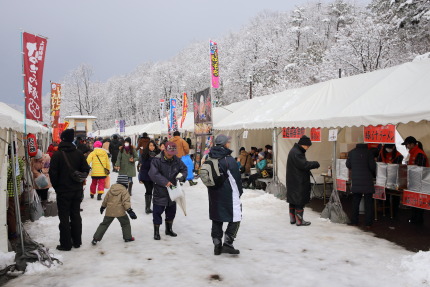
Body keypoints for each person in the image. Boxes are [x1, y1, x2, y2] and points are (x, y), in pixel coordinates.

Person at [49, 129, 91, 251]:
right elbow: (86, 169)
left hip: (63, 191)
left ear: (62, 139)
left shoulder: (57, 155)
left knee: (64, 217)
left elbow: (53, 174)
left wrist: (57, 187)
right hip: (77, 190)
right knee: (76, 215)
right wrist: (79, 179)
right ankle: (77, 241)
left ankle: (66, 244)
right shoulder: (78, 153)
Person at [206, 134, 243, 255]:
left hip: (213, 193)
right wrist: (239, 193)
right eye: (228, 142)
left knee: (217, 217)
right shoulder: (228, 159)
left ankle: (217, 244)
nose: (229, 143)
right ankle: (228, 242)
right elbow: (235, 179)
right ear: (224, 144)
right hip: (228, 193)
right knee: (236, 216)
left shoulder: (210, 157)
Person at [149, 142, 187, 240]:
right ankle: (156, 232)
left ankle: (168, 229)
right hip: (160, 190)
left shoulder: (177, 160)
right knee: (157, 212)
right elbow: (153, 174)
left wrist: (182, 176)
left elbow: (184, 169)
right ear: (164, 150)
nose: (171, 156)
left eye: (173, 154)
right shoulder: (156, 160)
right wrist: (165, 182)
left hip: (173, 191)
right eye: (169, 153)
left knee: (171, 211)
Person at [91, 175, 137, 245]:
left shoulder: (111, 189)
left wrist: (103, 207)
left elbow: (106, 199)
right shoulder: (124, 191)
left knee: (104, 224)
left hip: (110, 211)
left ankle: (95, 239)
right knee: (125, 223)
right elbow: (126, 202)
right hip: (120, 212)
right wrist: (129, 210)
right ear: (125, 182)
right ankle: (127, 237)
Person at [286, 135, 320, 226]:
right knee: (299, 201)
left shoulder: (294, 151)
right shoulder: (297, 152)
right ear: (303, 144)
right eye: (307, 146)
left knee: (293, 201)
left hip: (293, 180)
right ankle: (299, 221)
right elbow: (304, 165)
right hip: (298, 181)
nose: (308, 148)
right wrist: (315, 163)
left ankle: (293, 219)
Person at [346, 143, 377, 227]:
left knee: (355, 202)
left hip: (356, 180)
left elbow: (348, 165)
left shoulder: (351, 152)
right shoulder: (369, 153)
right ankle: (368, 223)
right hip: (367, 181)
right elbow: (372, 167)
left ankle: (354, 221)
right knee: (368, 203)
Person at [402, 136, 429, 224]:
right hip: (414, 181)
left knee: (419, 201)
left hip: (420, 181)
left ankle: (419, 219)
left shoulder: (419, 153)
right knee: (414, 200)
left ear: (412, 144)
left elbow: (420, 169)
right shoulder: (412, 153)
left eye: (407, 145)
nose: (406, 147)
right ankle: (414, 218)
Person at [7, 143, 24, 240]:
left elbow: (7, 176)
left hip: (10, 192)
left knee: (10, 213)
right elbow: (21, 174)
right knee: (15, 212)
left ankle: (13, 232)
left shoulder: (10, 162)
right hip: (17, 189)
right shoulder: (19, 161)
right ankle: (16, 228)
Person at [139, 140, 160, 214]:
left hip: (155, 176)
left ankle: (154, 206)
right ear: (148, 146)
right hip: (146, 175)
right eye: (150, 145)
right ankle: (147, 208)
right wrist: (140, 178)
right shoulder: (145, 154)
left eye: (153, 145)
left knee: (154, 190)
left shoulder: (158, 154)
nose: (152, 147)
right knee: (149, 190)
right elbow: (143, 167)